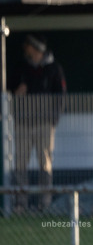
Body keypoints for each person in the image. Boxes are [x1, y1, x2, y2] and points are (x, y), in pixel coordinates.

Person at [11, 34, 66, 211]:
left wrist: (53, 119)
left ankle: (45, 204)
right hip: (22, 123)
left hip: (44, 124)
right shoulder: (21, 67)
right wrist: (15, 95)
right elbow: (9, 91)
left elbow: (61, 95)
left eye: (28, 46)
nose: (25, 49)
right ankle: (20, 204)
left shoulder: (54, 68)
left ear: (36, 49)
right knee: (20, 163)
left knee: (45, 162)